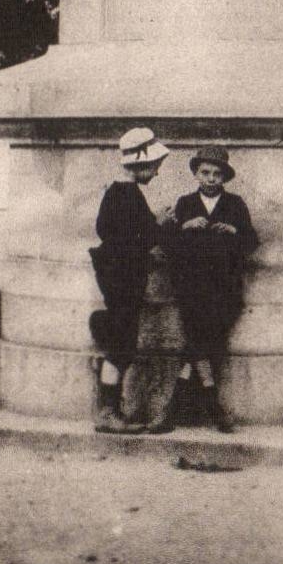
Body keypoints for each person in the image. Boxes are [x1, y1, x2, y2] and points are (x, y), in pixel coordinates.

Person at [153, 145, 259, 434]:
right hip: (192, 288)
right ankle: (212, 407)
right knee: (204, 344)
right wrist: (185, 226)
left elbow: (251, 242)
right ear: (196, 174)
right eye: (205, 173)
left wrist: (234, 231)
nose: (211, 179)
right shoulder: (185, 202)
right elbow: (167, 243)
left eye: (217, 174)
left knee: (199, 345)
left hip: (225, 288)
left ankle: (173, 410)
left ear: (225, 177)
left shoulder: (235, 204)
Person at [88, 126, 173, 433]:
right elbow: (128, 239)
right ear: (141, 164)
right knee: (121, 346)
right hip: (122, 279)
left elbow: (109, 233)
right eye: (155, 167)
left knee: (121, 343)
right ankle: (108, 412)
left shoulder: (117, 193)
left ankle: (110, 409)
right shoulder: (127, 195)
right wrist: (157, 224)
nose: (156, 173)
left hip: (117, 275)